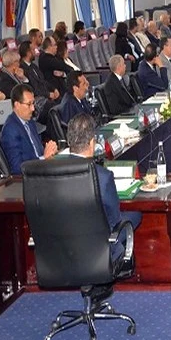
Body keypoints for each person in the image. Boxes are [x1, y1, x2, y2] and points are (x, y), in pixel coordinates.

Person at [65, 113, 141, 264]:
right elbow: (115, 221)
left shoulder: (50, 174)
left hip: (63, 247)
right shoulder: (103, 177)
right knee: (135, 214)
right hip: (99, 247)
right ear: (92, 143)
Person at [0, 84, 58, 175]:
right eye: (29, 104)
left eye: (33, 103)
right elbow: (17, 168)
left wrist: (50, 151)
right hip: (30, 178)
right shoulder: (10, 130)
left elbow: (38, 151)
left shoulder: (29, 121)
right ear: (17, 105)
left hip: (42, 168)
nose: (33, 108)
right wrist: (43, 158)